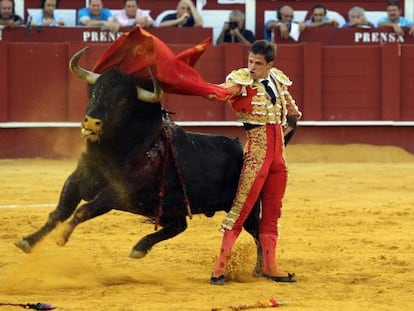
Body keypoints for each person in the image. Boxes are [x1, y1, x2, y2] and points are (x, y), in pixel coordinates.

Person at [209, 40, 301, 285]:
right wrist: (201, 87)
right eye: (250, 61)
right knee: (241, 209)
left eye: (258, 64)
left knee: (272, 213)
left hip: (278, 162)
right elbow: (221, 92)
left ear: (269, 64)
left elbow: (293, 115)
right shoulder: (240, 82)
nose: (252, 67)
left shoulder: (279, 81)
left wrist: (286, 136)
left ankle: (270, 267)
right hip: (256, 156)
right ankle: (219, 268)